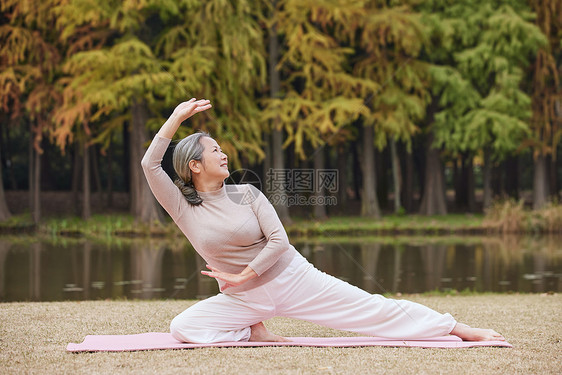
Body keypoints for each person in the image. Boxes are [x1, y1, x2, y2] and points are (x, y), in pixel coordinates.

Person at [141, 98, 505, 344]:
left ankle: (458, 328)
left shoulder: (247, 193)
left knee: (372, 309)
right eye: (214, 150)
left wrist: (242, 275)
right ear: (194, 165)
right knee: (183, 327)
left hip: (292, 278)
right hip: (243, 300)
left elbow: (279, 242)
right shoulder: (181, 206)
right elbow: (150, 165)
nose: (223, 154)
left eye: (221, 148)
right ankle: (253, 331)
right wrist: (176, 119)